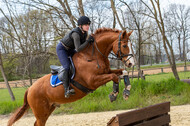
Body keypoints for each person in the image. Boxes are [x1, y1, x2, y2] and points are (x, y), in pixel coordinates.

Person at [56, 16, 94, 98]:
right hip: (62, 49)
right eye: (86, 25)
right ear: (80, 26)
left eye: (88, 25)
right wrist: (88, 41)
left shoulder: (84, 33)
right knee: (66, 67)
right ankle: (66, 90)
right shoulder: (76, 34)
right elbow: (79, 48)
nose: (88, 26)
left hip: (70, 49)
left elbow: (83, 48)